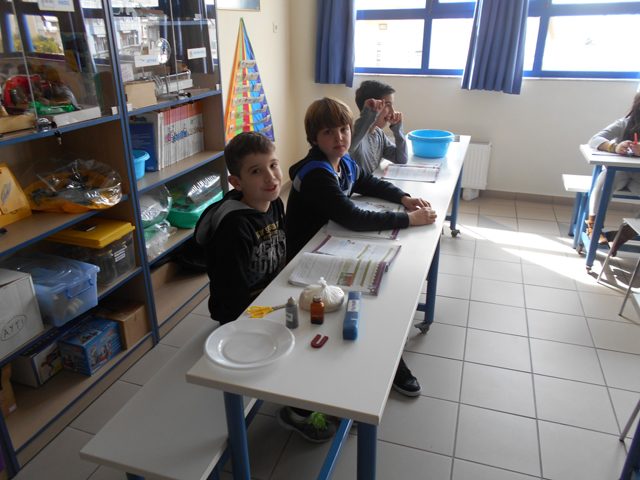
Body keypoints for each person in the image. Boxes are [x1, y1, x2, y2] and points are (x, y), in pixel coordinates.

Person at [286, 96, 437, 398]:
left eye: (343, 129)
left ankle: (383, 359)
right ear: (314, 138)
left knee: (373, 288)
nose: (339, 138)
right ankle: (371, 364)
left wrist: (403, 197)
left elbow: (367, 181)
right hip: (307, 257)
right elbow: (352, 217)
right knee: (363, 297)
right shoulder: (316, 173)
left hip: (331, 240)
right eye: (328, 132)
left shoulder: (342, 161)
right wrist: (408, 219)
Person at [587, 92, 640, 254]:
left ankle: (624, 234)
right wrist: (614, 147)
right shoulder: (625, 123)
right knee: (604, 181)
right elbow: (594, 139)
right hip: (619, 172)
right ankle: (594, 225)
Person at [350, 80, 408, 175]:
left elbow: (401, 159)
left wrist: (398, 130)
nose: (392, 112)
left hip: (376, 182)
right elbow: (358, 132)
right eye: (387, 105)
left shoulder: (379, 134)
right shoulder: (353, 136)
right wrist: (369, 113)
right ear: (372, 106)